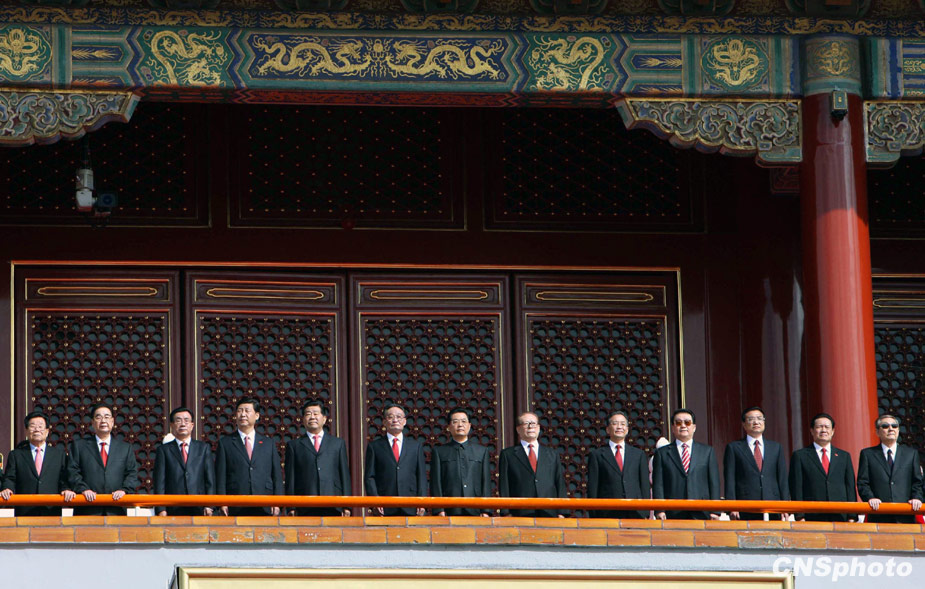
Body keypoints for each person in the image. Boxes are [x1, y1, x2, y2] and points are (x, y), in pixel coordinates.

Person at [67, 402, 139, 516]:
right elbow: (72, 471)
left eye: (107, 417)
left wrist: (124, 490)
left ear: (112, 421)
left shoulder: (125, 448)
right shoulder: (79, 446)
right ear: (92, 422)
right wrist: (83, 489)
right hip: (87, 508)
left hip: (116, 509)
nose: (103, 421)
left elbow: (132, 473)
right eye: (98, 417)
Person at [215, 398, 283, 516]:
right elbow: (220, 475)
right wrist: (222, 502)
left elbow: (276, 474)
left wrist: (277, 502)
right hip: (235, 502)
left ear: (257, 415)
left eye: (247, 411)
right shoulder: (225, 443)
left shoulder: (268, 443)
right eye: (240, 411)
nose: (243, 414)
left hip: (264, 501)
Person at [0, 411, 76, 516]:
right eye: (32, 426)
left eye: (40, 426)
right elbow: (10, 478)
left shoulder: (59, 455)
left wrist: (66, 489)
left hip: (51, 510)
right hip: (25, 511)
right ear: (26, 431)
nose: (36, 429)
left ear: (47, 431)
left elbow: (64, 479)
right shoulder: (16, 455)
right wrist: (7, 488)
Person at [285, 399, 351, 516]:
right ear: (303, 419)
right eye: (308, 414)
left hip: (333, 502)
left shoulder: (337, 444)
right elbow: (291, 478)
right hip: (305, 504)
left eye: (316, 413)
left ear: (324, 419)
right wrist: (291, 507)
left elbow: (344, 475)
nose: (312, 417)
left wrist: (347, 505)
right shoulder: (294, 445)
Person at [652, 408, 720, 520]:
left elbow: (714, 482)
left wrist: (715, 510)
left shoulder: (707, 451)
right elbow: (658, 484)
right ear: (673, 428)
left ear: (694, 427)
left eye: (687, 422)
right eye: (678, 423)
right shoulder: (662, 453)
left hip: (702, 510)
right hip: (673, 511)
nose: (683, 426)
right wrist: (659, 509)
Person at [723, 406, 789, 520]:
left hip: (773, 505)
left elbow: (782, 478)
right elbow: (730, 479)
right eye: (751, 419)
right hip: (745, 505)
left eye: (759, 418)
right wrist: (732, 506)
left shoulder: (775, 447)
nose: (756, 422)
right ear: (744, 424)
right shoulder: (734, 448)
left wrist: (786, 506)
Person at [857, 414, 924, 524]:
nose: (891, 429)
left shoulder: (911, 454)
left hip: (905, 515)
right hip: (878, 514)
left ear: (898, 430)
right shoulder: (868, 454)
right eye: (885, 426)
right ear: (877, 432)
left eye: (894, 426)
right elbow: (863, 482)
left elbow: (917, 481)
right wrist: (870, 498)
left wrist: (917, 498)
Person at [789, 412, 856, 522]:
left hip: (840, 515)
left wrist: (852, 516)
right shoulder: (800, 456)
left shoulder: (844, 456)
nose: (823, 430)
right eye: (819, 427)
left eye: (827, 427)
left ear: (833, 431)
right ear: (812, 431)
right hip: (812, 515)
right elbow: (796, 487)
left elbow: (850, 487)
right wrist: (799, 516)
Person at [498, 411, 566, 518]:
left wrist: (562, 512)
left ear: (538, 428)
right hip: (520, 512)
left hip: (548, 512)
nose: (531, 427)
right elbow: (504, 485)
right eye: (526, 423)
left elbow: (559, 482)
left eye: (533, 423)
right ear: (518, 429)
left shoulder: (552, 454)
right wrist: (505, 512)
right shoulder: (508, 454)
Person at [364, 403, 427, 516]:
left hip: (411, 503)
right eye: (390, 417)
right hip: (385, 505)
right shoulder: (375, 446)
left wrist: (421, 501)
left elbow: (421, 475)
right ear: (384, 422)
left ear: (404, 421)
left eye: (399, 417)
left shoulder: (415, 446)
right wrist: (375, 501)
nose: (395, 420)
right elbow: (370, 477)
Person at [586, 410, 650, 519]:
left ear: (627, 429)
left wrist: (645, 512)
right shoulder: (597, 455)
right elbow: (593, 487)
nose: (619, 427)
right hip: (607, 512)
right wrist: (594, 514)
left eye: (623, 424)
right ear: (607, 429)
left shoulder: (638, 454)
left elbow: (644, 486)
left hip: (635, 512)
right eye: (615, 423)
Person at [153, 406, 214, 516]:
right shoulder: (163, 450)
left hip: (199, 505)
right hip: (173, 506)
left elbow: (210, 479)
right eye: (178, 420)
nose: (182, 424)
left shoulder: (203, 448)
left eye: (186, 420)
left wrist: (209, 505)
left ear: (192, 425)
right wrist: (161, 509)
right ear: (172, 425)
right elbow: (159, 481)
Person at [430, 407, 491, 517]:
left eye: (463, 421)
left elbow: (485, 482)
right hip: (449, 508)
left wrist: (485, 510)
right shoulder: (439, 451)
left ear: (469, 425)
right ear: (449, 426)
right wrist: (439, 509)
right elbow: (436, 482)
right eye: (455, 421)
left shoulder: (481, 451)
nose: (460, 425)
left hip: (475, 508)